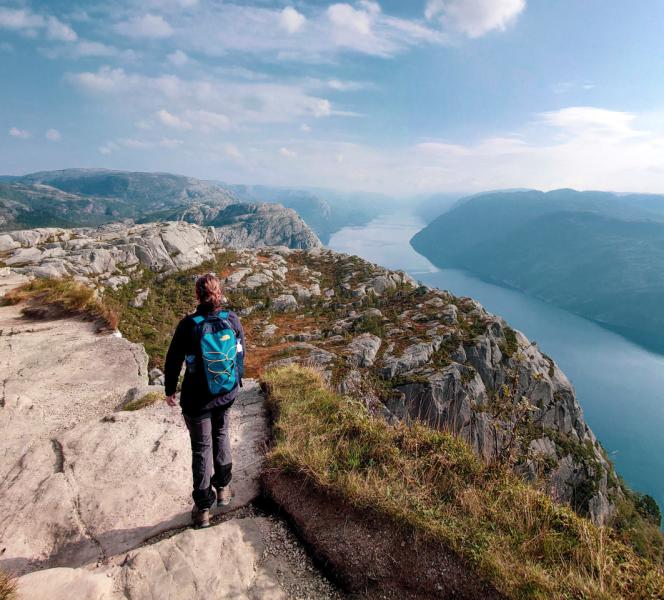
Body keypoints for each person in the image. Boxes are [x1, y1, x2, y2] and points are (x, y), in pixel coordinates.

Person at [164, 273, 245, 529]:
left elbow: (173, 360)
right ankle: (223, 490)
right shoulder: (230, 319)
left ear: (197, 295)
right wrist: (236, 381)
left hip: (197, 400)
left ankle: (202, 510)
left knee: (201, 448)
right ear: (219, 293)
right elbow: (240, 352)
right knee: (221, 435)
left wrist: (169, 390)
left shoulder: (189, 325)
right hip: (225, 393)